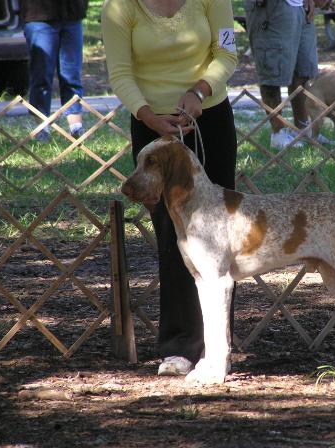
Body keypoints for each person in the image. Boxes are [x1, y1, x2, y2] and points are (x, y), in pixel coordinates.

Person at [101, 0, 238, 376]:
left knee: (218, 236)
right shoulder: (120, 8)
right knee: (171, 233)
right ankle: (179, 347)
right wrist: (149, 116)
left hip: (208, 121)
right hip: (151, 127)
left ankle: (218, 347)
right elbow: (120, 73)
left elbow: (226, 52)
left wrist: (199, 92)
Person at [246, 0, 330, 149]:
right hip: (272, 7)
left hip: (300, 7)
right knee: (271, 72)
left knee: (303, 71)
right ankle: (278, 134)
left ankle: (303, 129)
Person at [20, 0, 88, 141]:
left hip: (72, 13)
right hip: (38, 14)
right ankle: (42, 129)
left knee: (72, 75)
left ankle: (76, 128)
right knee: (41, 77)